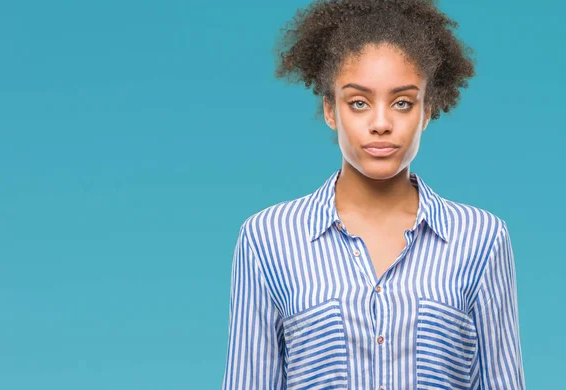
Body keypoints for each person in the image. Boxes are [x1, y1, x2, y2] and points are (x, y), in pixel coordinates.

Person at [222, 0, 526, 389]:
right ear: (331, 110)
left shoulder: (482, 239)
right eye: (359, 103)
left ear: (427, 109)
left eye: (402, 103)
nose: (381, 124)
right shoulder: (266, 239)